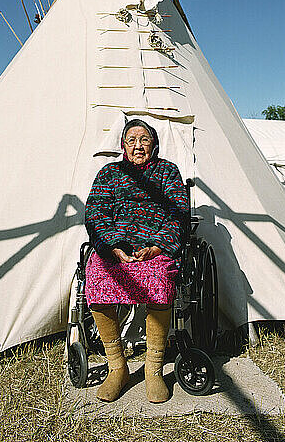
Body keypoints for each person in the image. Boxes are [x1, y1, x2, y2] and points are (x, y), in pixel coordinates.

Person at [84, 118, 189, 403]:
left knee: (160, 279)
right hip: (117, 249)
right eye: (131, 140)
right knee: (97, 275)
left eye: (144, 139)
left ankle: (153, 370)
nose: (138, 145)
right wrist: (114, 247)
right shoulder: (109, 174)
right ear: (123, 145)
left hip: (154, 248)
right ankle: (118, 368)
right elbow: (96, 213)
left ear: (154, 144)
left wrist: (157, 247)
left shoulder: (167, 171)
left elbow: (179, 213)